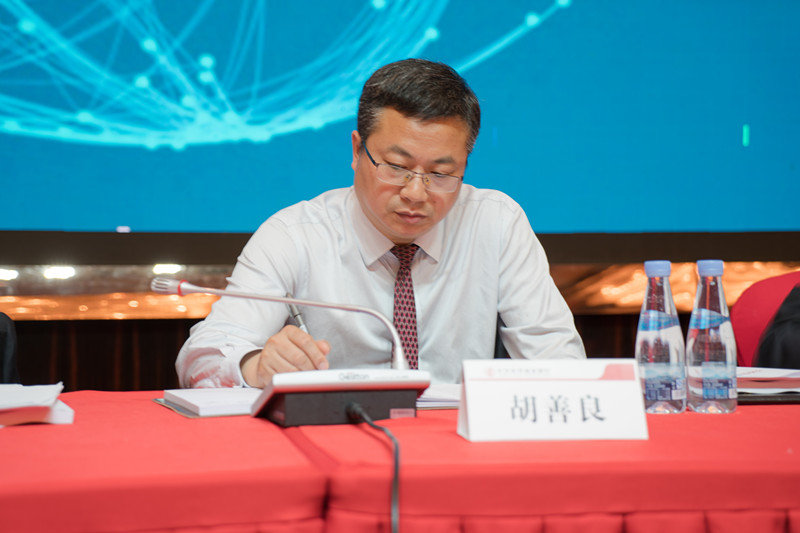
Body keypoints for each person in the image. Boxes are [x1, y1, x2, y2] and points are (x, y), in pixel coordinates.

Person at [176, 58, 585, 388]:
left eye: (442, 173)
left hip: (457, 445)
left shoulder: (495, 223)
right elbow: (202, 357)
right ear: (357, 151)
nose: (416, 193)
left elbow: (558, 357)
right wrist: (254, 366)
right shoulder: (294, 236)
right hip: (334, 441)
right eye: (396, 167)